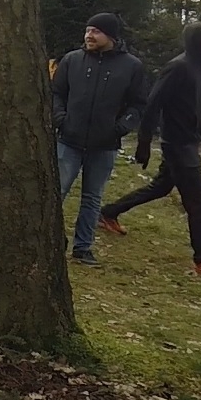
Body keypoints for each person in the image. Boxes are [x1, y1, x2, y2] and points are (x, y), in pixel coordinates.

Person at [100, 23, 201, 279]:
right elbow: (153, 103)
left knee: (160, 187)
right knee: (199, 203)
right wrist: (144, 143)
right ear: (197, 39)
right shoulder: (178, 67)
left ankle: (109, 212)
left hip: (189, 142)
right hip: (177, 145)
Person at [50, 13, 145, 268]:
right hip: (69, 140)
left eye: (96, 31)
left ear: (111, 36)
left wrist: (120, 128)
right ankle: (50, 242)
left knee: (92, 198)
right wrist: (60, 118)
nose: (89, 35)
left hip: (104, 145)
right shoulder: (72, 60)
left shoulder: (131, 66)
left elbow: (138, 104)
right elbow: (57, 93)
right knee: (56, 192)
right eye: (87, 30)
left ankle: (83, 248)